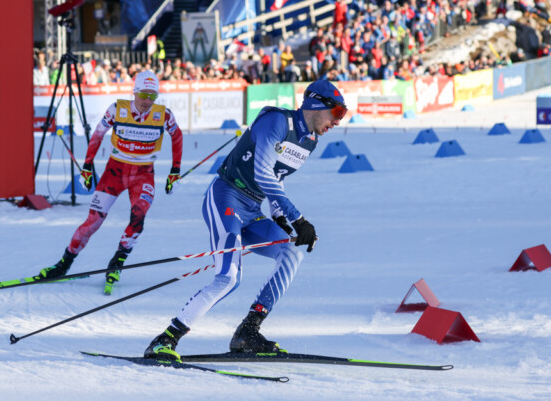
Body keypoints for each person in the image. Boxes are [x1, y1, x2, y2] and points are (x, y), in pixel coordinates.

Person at [143, 80, 348, 360]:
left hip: (252, 209)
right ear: (316, 104)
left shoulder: (309, 142)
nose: (338, 121)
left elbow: (276, 179)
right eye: (336, 113)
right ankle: (165, 339)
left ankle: (248, 331)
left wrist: (280, 216)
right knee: (228, 278)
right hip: (225, 197)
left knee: (291, 253)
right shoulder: (277, 121)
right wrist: (297, 219)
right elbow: (263, 173)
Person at [38, 70, 183, 295]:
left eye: (152, 96)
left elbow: (177, 136)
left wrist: (175, 169)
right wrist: (87, 166)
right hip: (114, 172)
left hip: (143, 175)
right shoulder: (118, 110)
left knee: (138, 217)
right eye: (144, 94)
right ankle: (64, 264)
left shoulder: (163, 115)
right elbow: (97, 135)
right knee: (93, 222)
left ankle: (117, 262)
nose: (147, 101)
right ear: (135, 92)